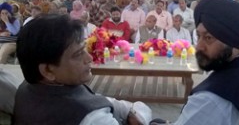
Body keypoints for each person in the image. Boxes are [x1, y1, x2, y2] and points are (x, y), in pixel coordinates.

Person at [154, 0, 239, 124]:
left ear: (234, 41)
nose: (198, 46)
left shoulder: (209, 101)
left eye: (208, 38)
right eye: (199, 36)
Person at [14, 14, 151, 124]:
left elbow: (101, 101)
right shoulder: (91, 118)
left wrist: (132, 111)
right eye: (78, 54)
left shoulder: (26, 88)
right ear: (48, 71)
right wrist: (141, 112)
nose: (89, 58)